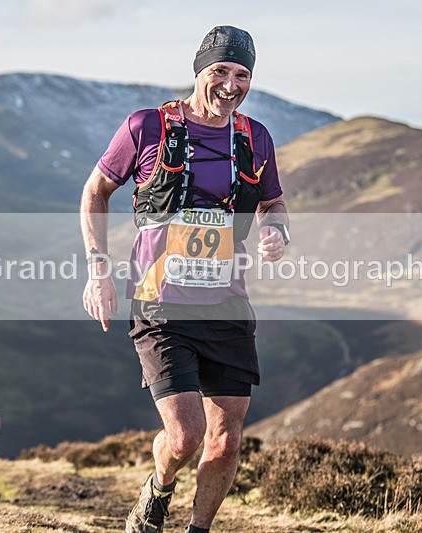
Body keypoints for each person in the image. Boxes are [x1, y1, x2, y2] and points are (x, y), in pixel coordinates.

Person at [80, 25, 289, 533]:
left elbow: (273, 202)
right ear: (199, 71)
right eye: (220, 71)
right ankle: (159, 486)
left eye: (243, 75)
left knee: (227, 440)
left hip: (227, 307)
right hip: (160, 307)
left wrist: (277, 231)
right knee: (185, 437)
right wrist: (97, 270)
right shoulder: (146, 127)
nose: (231, 84)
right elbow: (95, 192)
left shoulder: (254, 137)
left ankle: (199, 529)